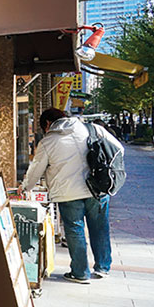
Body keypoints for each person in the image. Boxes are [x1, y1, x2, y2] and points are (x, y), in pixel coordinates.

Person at [20, 108, 124, 284]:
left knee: (75, 230)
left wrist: (25, 188)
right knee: (100, 227)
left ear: (47, 124)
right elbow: (118, 149)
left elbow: (36, 170)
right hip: (97, 189)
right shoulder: (93, 129)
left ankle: (80, 272)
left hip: (67, 192)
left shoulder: (48, 142)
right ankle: (103, 267)